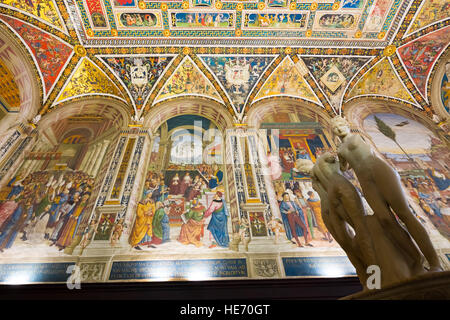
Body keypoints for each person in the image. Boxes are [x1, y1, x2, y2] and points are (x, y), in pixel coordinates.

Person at [331, 116, 442, 272]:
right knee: (385, 220)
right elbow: (344, 168)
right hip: (364, 180)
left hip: (378, 169)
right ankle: (416, 260)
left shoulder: (358, 136)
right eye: (335, 127)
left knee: (404, 213)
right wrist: (334, 160)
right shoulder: (340, 150)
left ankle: (435, 262)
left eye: (341, 124)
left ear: (347, 125)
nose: (338, 128)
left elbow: (372, 146)